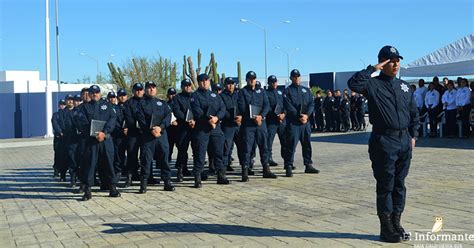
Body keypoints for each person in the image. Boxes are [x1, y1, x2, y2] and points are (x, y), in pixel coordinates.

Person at [348, 45, 419, 243]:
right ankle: (386, 227)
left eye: (397, 60)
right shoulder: (372, 85)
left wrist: (413, 135)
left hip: (404, 141)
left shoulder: (404, 86)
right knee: (386, 185)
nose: (395, 64)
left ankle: (396, 223)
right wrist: (373, 68)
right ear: (383, 62)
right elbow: (353, 84)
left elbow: (414, 113)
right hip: (384, 141)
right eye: (390, 60)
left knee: (399, 185)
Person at [75, 85, 120, 201]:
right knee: (89, 165)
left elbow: (112, 119)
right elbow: (81, 123)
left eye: (97, 92)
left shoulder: (107, 105)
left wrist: (104, 133)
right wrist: (95, 133)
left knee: (109, 164)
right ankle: (88, 190)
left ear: (100, 93)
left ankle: (112, 188)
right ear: (89, 94)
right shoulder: (83, 108)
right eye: (92, 92)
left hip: (105, 140)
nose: (95, 94)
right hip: (91, 141)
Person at [236, 71, 277, 182]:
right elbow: (242, 107)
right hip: (248, 125)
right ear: (246, 80)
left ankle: (266, 169)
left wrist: (261, 116)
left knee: (264, 147)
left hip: (261, 124)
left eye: (254, 78)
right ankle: (245, 171)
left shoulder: (261, 91)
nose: (252, 80)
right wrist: (253, 117)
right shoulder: (242, 92)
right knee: (247, 148)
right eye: (250, 78)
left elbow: (266, 105)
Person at [190, 73, 229, 188]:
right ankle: (197, 178)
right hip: (202, 129)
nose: (204, 82)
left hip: (216, 129)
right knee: (200, 154)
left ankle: (220, 176)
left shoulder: (215, 95)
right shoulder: (194, 96)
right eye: (202, 81)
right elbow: (197, 111)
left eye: (206, 80)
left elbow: (222, 108)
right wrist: (209, 121)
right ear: (199, 82)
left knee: (218, 153)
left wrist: (216, 118)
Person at [136, 81, 175, 193]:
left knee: (164, 159)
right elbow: (140, 118)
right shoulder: (141, 103)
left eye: (153, 87)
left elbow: (168, 116)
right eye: (149, 88)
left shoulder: (162, 103)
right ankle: (143, 184)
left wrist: (161, 128)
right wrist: (151, 130)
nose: (151, 90)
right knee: (146, 160)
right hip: (148, 137)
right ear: (145, 90)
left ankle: (167, 182)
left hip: (161, 135)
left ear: (156, 89)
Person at [283, 69, 319, 177]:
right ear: (291, 78)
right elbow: (288, 106)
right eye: (294, 76)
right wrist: (299, 116)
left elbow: (311, 104)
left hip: (305, 122)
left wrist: (306, 115)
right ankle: (289, 165)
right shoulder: (287, 91)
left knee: (307, 144)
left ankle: (308, 165)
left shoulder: (306, 90)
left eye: (298, 76)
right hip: (293, 123)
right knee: (291, 145)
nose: (296, 78)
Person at [172, 79, 195, 181]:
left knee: (197, 149)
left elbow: (199, 109)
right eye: (185, 85)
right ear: (182, 87)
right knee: (182, 150)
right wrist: (187, 120)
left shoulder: (195, 96)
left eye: (189, 85)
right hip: (183, 127)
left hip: (195, 127)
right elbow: (176, 111)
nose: (188, 87)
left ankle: (197, 170)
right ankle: (180, 170)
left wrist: (194, 120)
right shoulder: (177, 98)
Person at [123, 83, 145, 188]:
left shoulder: (147, 101)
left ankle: (147, 177)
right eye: (137, 90)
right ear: (133, 91)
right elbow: (128, 117)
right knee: (132, 155)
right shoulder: (128, 103)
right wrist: (138, 126)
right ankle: (129, 177)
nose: (139, 91)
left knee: (146, 156)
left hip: (146, 132)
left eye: (141, 89)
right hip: (133, 133)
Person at [220, 77, 243, 172]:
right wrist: (232, 118)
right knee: (226, 148)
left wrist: (241, 116)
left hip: (239, 124)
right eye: (229, 84)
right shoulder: (221, 96)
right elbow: (222, 109)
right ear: (225, 85)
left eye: (232, 84)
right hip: (227, 125)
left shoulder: (238, 95)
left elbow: (242, 107)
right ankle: (224, 168)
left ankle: (245, 167)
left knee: (242, 147)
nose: (231, 86)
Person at [265, 75, 287, 167]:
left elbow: (285, 105)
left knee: (285, 141)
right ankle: (269, 159)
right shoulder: (265, 93)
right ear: (269, 83)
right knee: (269, 141)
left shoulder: (280, 92)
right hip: (271, 121)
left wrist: (283, 114)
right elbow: (266, 107)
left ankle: (287, 160)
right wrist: (275, 115)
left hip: (281, 121)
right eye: (272, 82)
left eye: (275, 82)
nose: (274, 84)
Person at [111, 89, 128, 185]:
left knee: (131, 154)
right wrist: (122, 129)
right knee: (118, 154)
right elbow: (114, 121)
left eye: (124, 95)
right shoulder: (114, 109)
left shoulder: (130, 106)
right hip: (118, 135)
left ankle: (130, 173)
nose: (122, 97)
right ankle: (118, 172)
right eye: (120, 95)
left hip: (130, 134)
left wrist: (128, 128)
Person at [52, 99, 67, 178]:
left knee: (65, 155)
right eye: (61, 104)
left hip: (66, 137)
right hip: (58, 138)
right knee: (57, 154)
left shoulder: (67, 114)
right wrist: (60, 132)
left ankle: (63, 172)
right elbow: (55, 124)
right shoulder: (56, 114)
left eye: (64, 104)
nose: (62, 106)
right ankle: (56, 170)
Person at [166, 88, 179, 162]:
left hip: (178, 128)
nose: (172, 96)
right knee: (168, 148)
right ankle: (167, 163)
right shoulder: (165, 104)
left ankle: (182, 167)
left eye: (174, 94)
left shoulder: (178, 103)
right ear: (167, 95)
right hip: (169, 129)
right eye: (171, 94)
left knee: (181, 148)